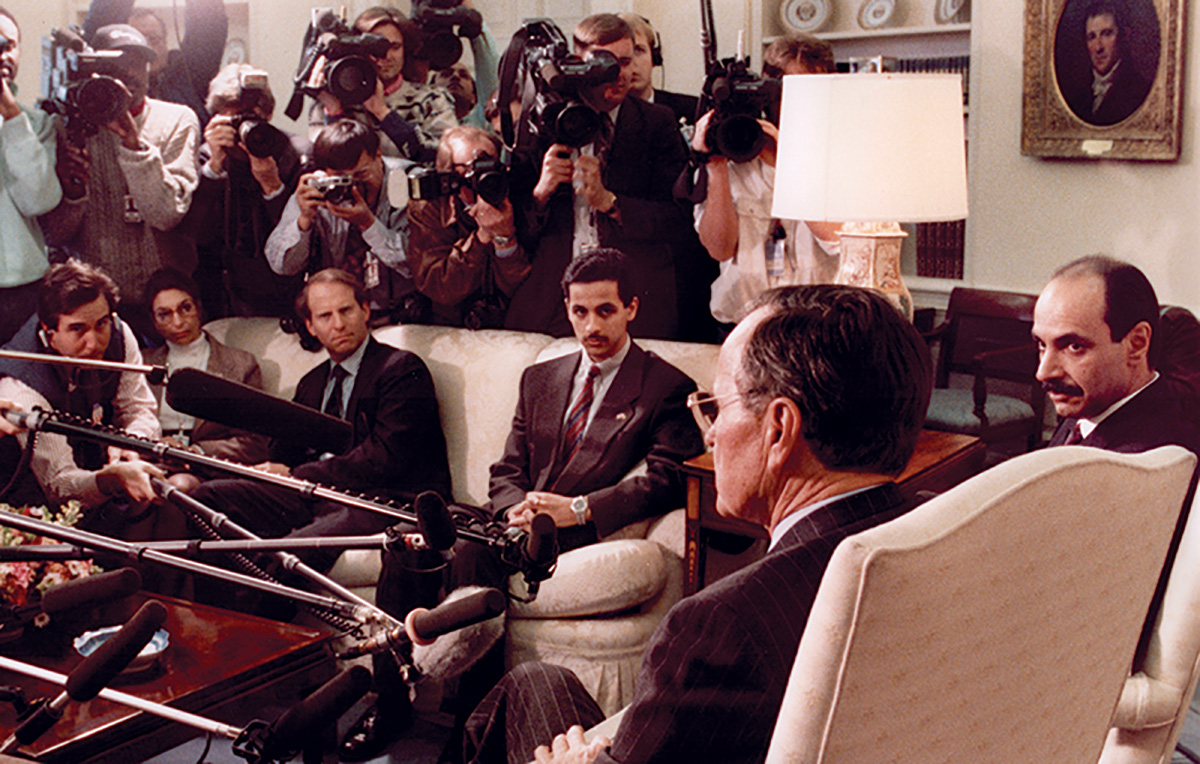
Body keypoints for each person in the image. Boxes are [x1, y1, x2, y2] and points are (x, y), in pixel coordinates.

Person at [458, 283, 932, 764]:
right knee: (537, 681)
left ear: (778, 430)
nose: (711, 439)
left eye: (719, 407)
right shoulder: (935, 537)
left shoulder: (721, 626)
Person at [342, 248, 705, 761]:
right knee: (408, 544)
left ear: (632, 308)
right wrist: (514, 507)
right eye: (580, 312)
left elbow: (667, 480)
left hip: (570, 530)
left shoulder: (666, 387)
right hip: (513, 523)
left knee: (474, 554)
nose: (591, 325)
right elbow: (508, 466)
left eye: (605, 310)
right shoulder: (542, 379)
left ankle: (466, 733)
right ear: (567, 308)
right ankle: (390, 697)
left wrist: (576, 508)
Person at [188, 268, 451, 573]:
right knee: (204, 498)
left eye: (346, 311)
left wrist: (300, 474)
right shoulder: (312, 383)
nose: (339, 324)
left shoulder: (401, 370)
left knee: (283, 558)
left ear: (365, 311)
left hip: (382, 502)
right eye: (325, 316)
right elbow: (283, 452)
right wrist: (269, 471)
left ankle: (252, 615)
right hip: (316, 494)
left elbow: (383, 459)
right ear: (311, 326)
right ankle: (213, 613)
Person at [504, 13, 691, 340]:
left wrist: (612, 203)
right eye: (605, 63)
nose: (620, 74)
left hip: (634, 305)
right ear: (577, 64)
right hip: (555, 305)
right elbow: (513, 228)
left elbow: (679, 220)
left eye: (626, 60)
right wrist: (541, 194)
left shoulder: (657, 122)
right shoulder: (541, 122)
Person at [39, 23, 200, 342]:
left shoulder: (177, 119)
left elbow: (166, 214)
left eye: (137, 61)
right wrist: (72, 190)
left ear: (150, 66)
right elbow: (54, 234)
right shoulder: (65, 124)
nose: (127, 72)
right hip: (96, 305)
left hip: (166, 302)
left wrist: (133, 143)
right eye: (114, 63)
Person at [692, 33, 843, 330]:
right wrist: (716, 167)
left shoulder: (839, 152)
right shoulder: (734, 142)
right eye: (784, 90)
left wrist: (786, 166)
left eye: (807, 91)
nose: (792, 102)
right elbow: (720, 249)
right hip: (744, 322)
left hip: (818, 324)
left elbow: (837, 241)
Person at [0, 260, 163, 532]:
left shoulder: (119, 333)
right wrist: (111, 479)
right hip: (39, 518)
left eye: (101, 323)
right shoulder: (21, 388)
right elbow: (59, 485)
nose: (95, 342)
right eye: (78, 329)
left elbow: (140, 408)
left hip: (103, 484)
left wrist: (133, 442)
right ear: (49, 334)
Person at [1034, 255, 1198, 453]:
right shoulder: (1092, 405)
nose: (1043, 373)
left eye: (1074, 347)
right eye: (1042, 345)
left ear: (1137, 344)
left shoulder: (1146, 458)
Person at [185, 63, 307, 318]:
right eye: (234, 120)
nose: (245, 130)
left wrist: (273, 187)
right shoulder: (208, 156)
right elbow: (195, 235)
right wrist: (214, 167)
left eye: (250, 119)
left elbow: (304, 239)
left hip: (284, 292)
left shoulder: (294, 153)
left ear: (268, 114)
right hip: (222, 296)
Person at [265, 119, 417, 321]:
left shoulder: (406, 182)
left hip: (400, 314)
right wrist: (304, 221)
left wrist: (369, 224)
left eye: (361, 174)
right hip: (338, 317)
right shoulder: (317, 189)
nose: (354, 187)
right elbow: (281, 265)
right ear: (323, 173)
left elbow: (416, 263)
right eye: (341, 179)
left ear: (378, 155)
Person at [142, 268, 268, 466]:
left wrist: (197, 452)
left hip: (206, 464)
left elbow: (255, 442)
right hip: (150, 459)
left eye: (185, 308)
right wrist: (152, 445)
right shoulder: (142, 365)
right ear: (154, 321)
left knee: (179, 484)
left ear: (199, 308)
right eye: (164, 314)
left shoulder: (240, 364)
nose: (178, 322)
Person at [408, 125, 531, 326]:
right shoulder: (429, 209)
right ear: (449, 176)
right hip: (452, 325)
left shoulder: (512, 197)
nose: (482, 178)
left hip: (511, 323)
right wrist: (482, 236)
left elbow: (521, 288)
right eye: (470, 171)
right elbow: (440, 287)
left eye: (489, 166)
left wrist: (505, 237)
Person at [308, 6, 457, 163]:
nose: (386, 56)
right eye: (376, 48)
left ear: (405, 49)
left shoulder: (432, 99)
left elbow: (444, 156)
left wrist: (383, 113)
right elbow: (327, 164)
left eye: (395, 47)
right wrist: (333, 113)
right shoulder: (335, 102)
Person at [0, 7, 62, 346]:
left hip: (23, 288)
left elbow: (38, 200)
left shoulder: (36, 123)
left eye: (8, 45)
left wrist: (10, 114)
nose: (2, 54)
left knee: (20, 387)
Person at [83, 0, 228, 127]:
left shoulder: (189, 76)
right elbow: (103, 17)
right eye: (135, 42)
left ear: (166, 44)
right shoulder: (99, 87)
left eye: (153, 39)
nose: (146, 48)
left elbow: (209, 26)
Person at [1062, 1, 1152, 126]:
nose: (1098, 47)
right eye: (1092, 37)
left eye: (1107, 34)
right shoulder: (1078, 95)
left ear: (1125, 35)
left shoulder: (1140, 91)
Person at [617, 13, 699, 127]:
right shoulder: (602, 119)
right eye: (623, 55)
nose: (632, 62)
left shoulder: (693, 109)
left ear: (654, 56)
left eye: (638, 50)